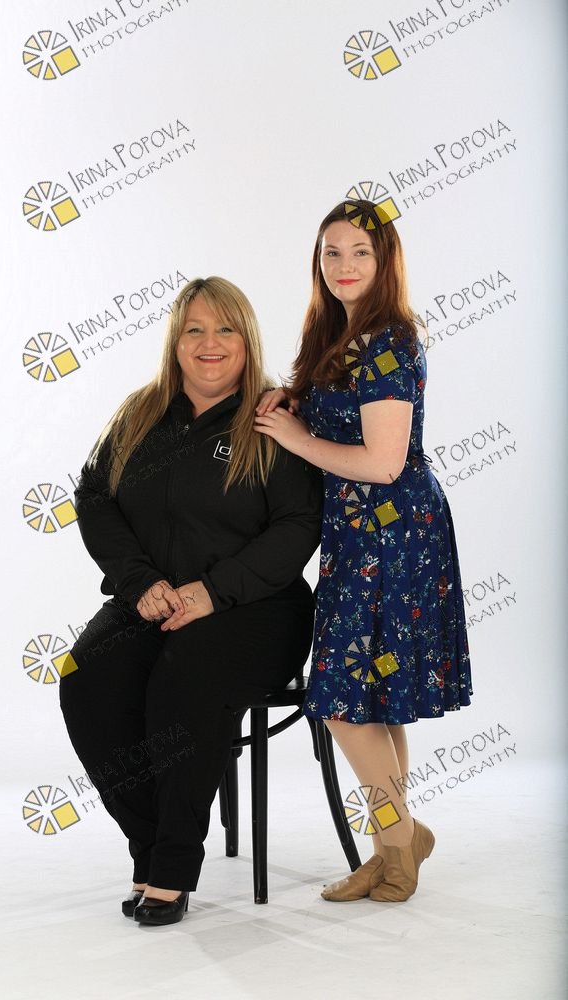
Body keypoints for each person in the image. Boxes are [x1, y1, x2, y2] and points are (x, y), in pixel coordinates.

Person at [59, 276, 322, 926]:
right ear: (175, 341)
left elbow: (298, 525)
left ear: (246, 339)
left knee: (185, 679)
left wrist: (213, 591)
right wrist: (138, 582)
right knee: (88, 677)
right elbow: (93, 496)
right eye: (195, 329)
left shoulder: (272, 419)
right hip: (152, 601)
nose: (210, 343)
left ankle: (172, 869)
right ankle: (149, 845)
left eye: (225, 329)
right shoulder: (139, 413)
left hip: (257, 609)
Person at [254, 199, 472, 903]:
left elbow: (382, 461)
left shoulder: (388, 341)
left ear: (384, 262)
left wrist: (295, 439)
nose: (343, 265)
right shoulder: (341, 334)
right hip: (359, 534)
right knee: (369, 699)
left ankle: (398, 846)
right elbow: (346, 422)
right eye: (331, 252)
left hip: (394, 534)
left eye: (360, 252)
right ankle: (393, 845)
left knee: (344, 700)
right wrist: (292, 402)